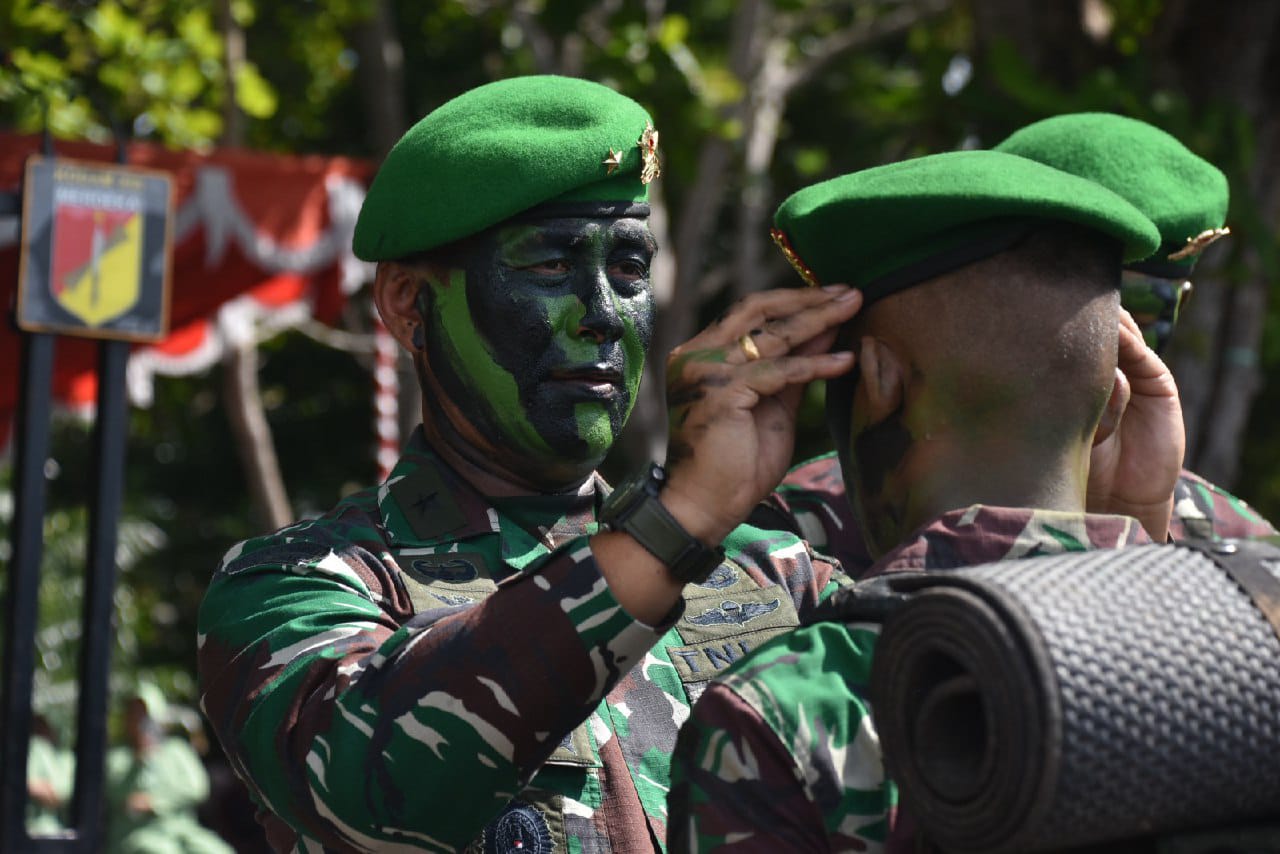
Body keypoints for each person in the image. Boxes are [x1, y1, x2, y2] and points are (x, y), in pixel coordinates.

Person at [197, 75, 864, 852]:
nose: (602, 314)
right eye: (549, 267)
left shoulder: (773, 574)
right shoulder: (300, 584)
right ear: (409, 304)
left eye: (629, 269)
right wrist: (677, 520)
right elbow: (368, 786)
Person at [667, 148, 1183, 850]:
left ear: (879, 382)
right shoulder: (1246, 640)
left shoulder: (800, 706)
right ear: (1114, 403)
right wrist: (1145, 536)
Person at [751, 113, 1276, 573]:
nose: (1108, 360)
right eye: (1082, 316)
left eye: (1148, 317)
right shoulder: (805, 519)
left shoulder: (1229, 535)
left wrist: (1136, 522)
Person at [105, 683, 233, 854]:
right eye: (134, 712)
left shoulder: (176, 750)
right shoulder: (116, 757)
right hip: (138, 835)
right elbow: (114, 795)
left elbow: (197, 788)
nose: (140, 719)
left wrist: (156, 802)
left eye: (144, 713)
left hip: (181, 829)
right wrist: (140, 759)